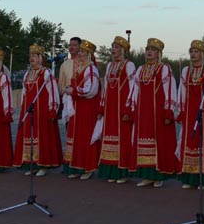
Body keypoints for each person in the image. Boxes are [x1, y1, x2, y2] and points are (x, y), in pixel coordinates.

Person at [129, 38, 179, 187]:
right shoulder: (140, 69)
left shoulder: (164, 68)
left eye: (153, 50)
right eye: (147, 49)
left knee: (159, 142)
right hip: (143, 112)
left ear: (159, 53)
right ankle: (146, 175)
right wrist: (132, 108)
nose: (149, 52)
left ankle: (158, 176)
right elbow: (134, 90)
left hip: (157, 112)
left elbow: (170, 89)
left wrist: (169, 110)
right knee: (143, 141)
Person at [14, 45, 62, 176]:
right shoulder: (28, 74)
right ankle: (32, 164)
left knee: (42, 136)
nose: (31, 59)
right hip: (29, 110)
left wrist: (53, 109)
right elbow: (24, 93)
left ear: (40, 58)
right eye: (30, 56)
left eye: (34, 56)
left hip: (42, 110)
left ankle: (43, 165)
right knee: (30, 136)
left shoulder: (46, 73)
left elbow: (53, 92)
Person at [177, 39, 204, 188]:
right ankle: (189, 178)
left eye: (196, 52)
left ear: (202, 54)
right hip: (189, 113)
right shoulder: (185, 71)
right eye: (191, 51)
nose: (193, 54)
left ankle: (203, 179)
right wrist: (181, 112)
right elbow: (181, 93)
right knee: (190, 141)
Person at [98, 35, 137, 183]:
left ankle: (123, 172)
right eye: (112, 47)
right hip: (110, 108)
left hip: (123, 108)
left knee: (124, 138)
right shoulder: (109, 66)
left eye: (116, 47)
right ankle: (111, 171)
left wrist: (129, 109)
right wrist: (102, 107)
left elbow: (134, 88)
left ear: (123, 50)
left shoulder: (129, 65)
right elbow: (106, 87)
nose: (113, 50)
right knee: (109, 137)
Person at [62, 39, 102, 180]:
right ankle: (77, 166)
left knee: (85, 137)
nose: (80, 55)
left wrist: (73, 90)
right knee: (76, 138)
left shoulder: (91, 69)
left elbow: (91, 90)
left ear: (90, 55)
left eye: (83, 53)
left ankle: (88, 168)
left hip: (87, 109)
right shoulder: (79, 69)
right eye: (79, 52)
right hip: (76, 109)